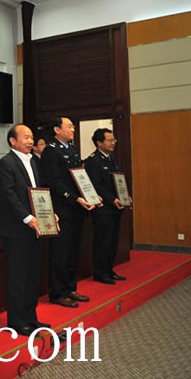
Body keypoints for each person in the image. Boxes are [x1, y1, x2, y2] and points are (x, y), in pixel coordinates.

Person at [0, 124, 55, 336]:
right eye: (26, 137)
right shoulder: (5, 163)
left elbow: (38, 194)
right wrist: (28, 217)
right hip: (16, 230)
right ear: (13, 141)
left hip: (35, 229)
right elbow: (8, 195)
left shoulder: (33, 162)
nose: (30, 141)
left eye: (31, 137)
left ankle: (31, 317)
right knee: (18, 277)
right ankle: (16, 321)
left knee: (32, 276)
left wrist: (50, 213)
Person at [40, 116, 96, 308]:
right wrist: (75, 198)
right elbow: (54, 181)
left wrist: (90, 195)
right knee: (60, 252)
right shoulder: (51, 151)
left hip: (77, 209)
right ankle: (58, 292)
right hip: (62, 208)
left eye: (73, 126)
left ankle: (70, 287)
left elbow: (79, 178)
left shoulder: (72, 149)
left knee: (73, 251)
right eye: (69, 126)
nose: (73, 129)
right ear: (57, 130)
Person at [84, 128, 128, 284]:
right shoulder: (93, 161)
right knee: (103, 242)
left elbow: (117, 182)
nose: (113, 143)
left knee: (113, 241)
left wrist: (124, 196)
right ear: (99, 143)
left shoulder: (111, 158)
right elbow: (96, 185)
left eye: (113, 140)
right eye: (109, 140)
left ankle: (109, 270)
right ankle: (100, 273)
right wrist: (112, 199)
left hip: (115, 208)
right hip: (103, 209)